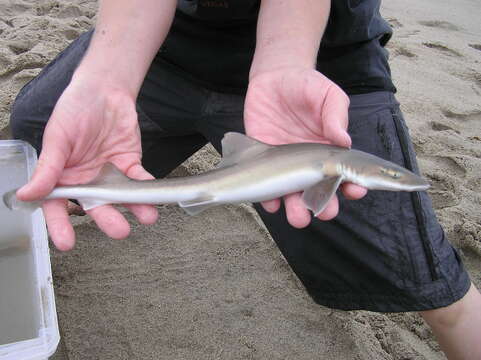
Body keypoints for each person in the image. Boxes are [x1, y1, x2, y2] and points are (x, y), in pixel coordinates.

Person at [9, 0, 481, 358]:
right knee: (38, 133)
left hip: (318, 70)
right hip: (167, 44)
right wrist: (108, 79)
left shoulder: (329, 154)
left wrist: (286, 61)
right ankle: (69, 205)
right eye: (389, 178)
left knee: (430, 281)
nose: (393, 179)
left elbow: (325, 194)